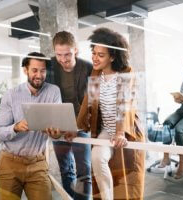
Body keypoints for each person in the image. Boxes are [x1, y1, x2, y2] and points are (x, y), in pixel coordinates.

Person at [77, 27, 145, 200]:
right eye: (94, 53)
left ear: (112, 57)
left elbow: (125, 103)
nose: (95, 57)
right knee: (97, 158)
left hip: (128, 130)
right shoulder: (96, 75)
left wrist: (121, 131)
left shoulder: (125, 74)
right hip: (107, 130)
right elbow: (88, 103)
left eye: (101, 55)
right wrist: (75, 127)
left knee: (128, 178)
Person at [0, 52, 61, 200]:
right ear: (25, 70)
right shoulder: (11, 95)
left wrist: (56, 132)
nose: (39, 75)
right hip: (10, 163)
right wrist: (16, 127)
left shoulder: (53, 92)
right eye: (34, 70)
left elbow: (57, 131)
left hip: (37, 164)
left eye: (43, 71)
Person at [45, 31, 92, 200]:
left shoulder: (87, 67)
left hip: (81, 124)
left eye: (67, 54)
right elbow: (44, 97)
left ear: (76, 50)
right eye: (59, 55)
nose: (63, 59)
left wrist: (78, 126)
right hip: (59, 123)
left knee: (84, 171)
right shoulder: (50, 66)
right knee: (66, 169)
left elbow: (92, 103)